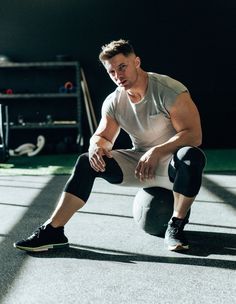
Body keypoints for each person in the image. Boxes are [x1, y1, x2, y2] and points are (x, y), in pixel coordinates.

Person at [14, 39, 206, 252]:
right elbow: (103, 136)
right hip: (140, 164)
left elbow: (194, 135)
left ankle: (176, 226)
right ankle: (53, 230)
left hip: (172, 163)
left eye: (122, 67)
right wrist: (96, 146)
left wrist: (157, 150)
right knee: (87, 161)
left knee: (191, 155)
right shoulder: (114, 101)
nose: (118, 76)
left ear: (137, 62)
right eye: (111, 72)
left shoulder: (169, 91)